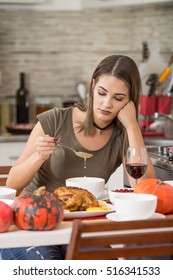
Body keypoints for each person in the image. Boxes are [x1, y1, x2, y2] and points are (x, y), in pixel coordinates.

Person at [1, 54, 156, 260]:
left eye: (118, 98)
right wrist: (38, 156)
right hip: (32, 221)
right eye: (102, 93)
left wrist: (132, 126)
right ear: (93, 86)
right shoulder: (54, 120)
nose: (107, 104)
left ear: (129, 102)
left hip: (81, 225)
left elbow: (145, 188)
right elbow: (12, 185)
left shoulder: (122, 135)